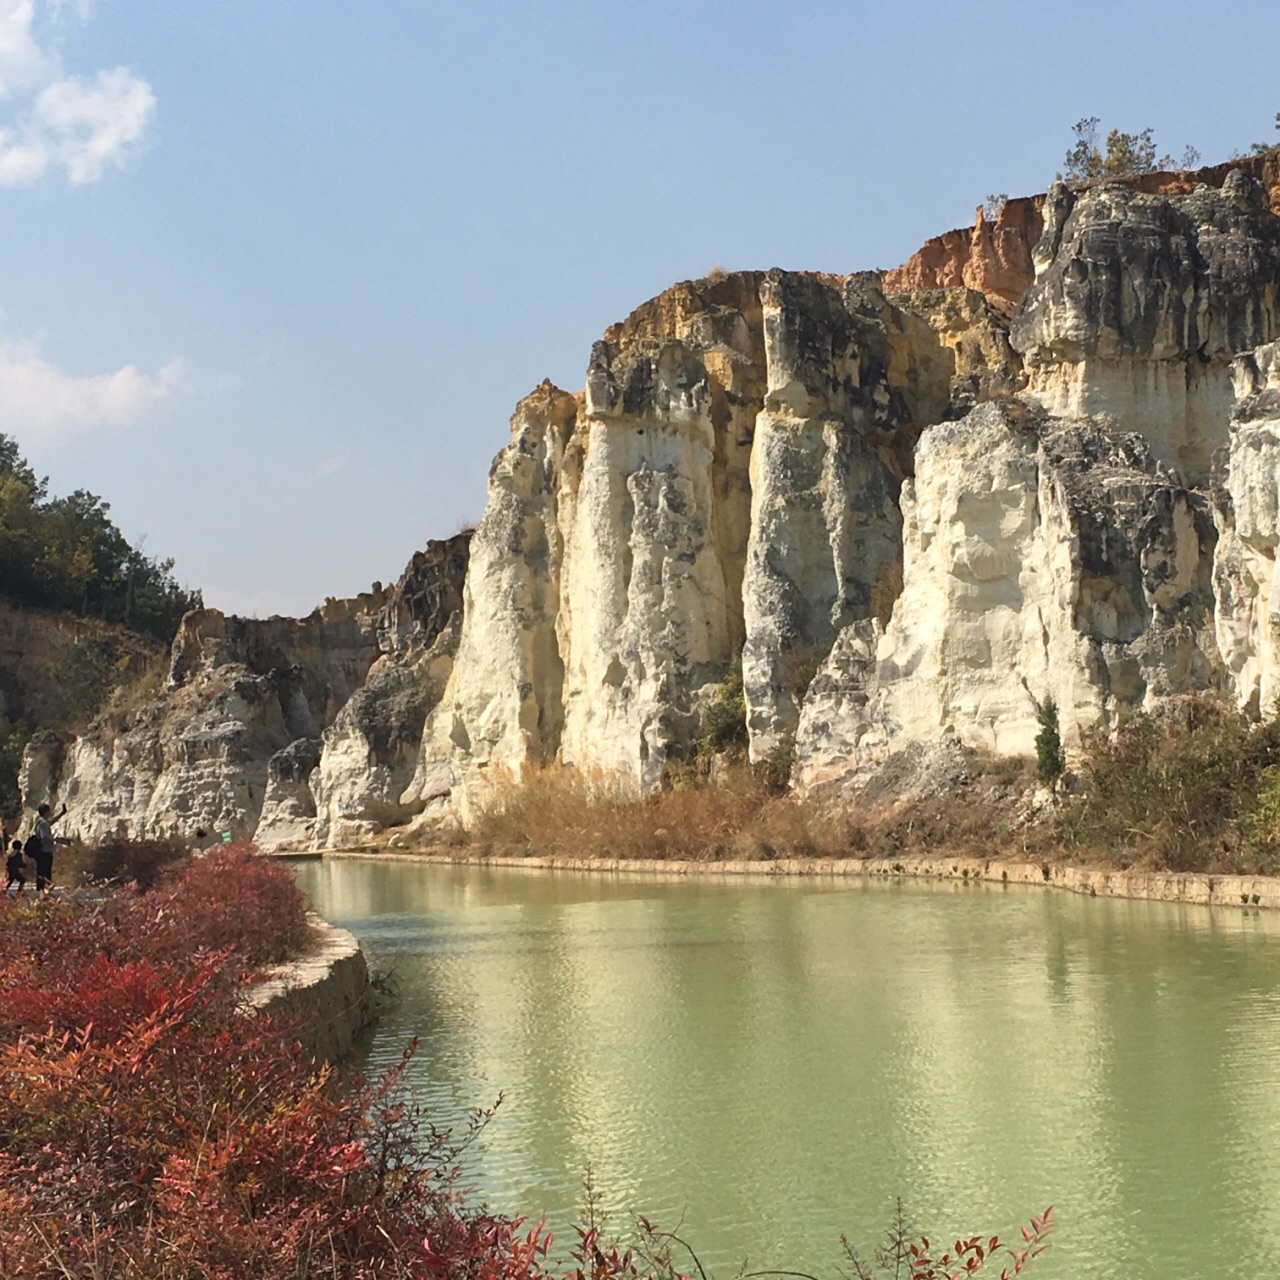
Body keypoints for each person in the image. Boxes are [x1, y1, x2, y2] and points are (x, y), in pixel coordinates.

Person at [32, 802, 66, 892]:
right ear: (46, 811)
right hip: (45, 851)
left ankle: (41, 892)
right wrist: (57, 839)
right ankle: (43, 892)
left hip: (42, 851)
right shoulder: (43, 823)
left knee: (42, 872)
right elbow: (45, 838)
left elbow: (51, 821)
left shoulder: (40, 821)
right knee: (45, 873)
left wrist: (62, 814)